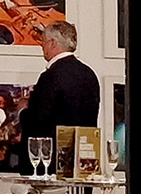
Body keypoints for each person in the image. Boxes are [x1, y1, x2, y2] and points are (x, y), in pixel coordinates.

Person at [19, 20, 99, 170]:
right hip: (83, 161)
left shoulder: (50, 76)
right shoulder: (89, 74)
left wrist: (23, 110)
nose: (41, 46)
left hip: (50, 165)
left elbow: (38, 121)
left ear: (52, 43)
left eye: (43, 41)